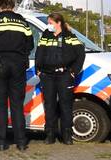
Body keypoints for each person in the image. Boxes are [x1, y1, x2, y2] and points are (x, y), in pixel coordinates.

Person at [0, 0, 35, 151]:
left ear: (0, 7)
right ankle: (21, 142)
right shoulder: (22, 21)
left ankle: (0, 143)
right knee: (17, 105)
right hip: (18, 66)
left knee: (1, 106)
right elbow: (30, 44)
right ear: (13, 7)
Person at [35, 12, 85, 145]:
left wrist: (73, 72)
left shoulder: (69, 36)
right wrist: (38, 70)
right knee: (50, 105)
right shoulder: (45, 35)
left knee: (65, 105)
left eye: (50, 23)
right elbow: (39, 52)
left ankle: (67, 135)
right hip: (47, 75)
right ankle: (50, 135)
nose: (48, 25)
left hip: (65, 76)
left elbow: (80, 54)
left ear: (58, 23)